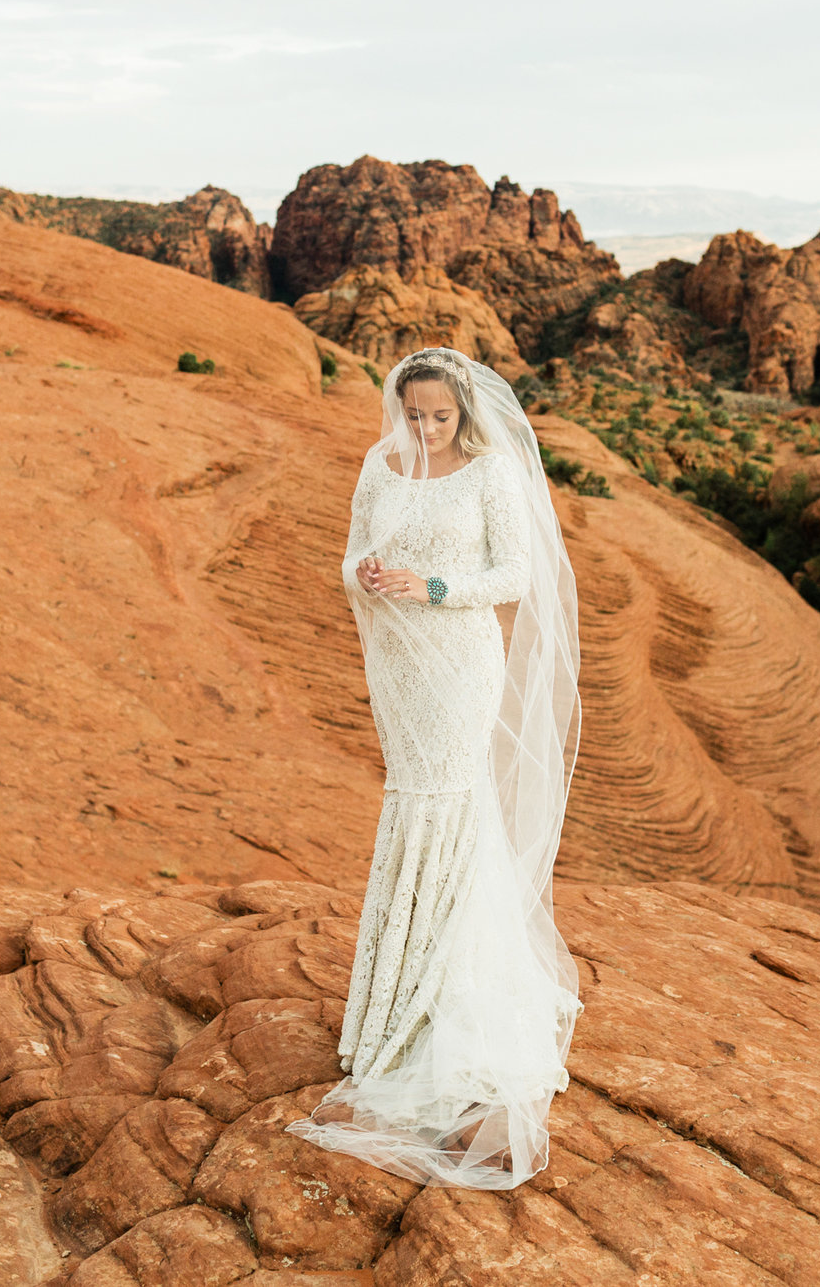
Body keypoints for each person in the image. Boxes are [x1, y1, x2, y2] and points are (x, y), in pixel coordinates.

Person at [284, 345, 584, 1189]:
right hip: (400, 672)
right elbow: (349, 559)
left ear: (464, 412)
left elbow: (515, 574)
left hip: (458, 662)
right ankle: (388, 1010)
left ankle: (439, 1005)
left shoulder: (488, 474)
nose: (421, 428)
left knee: (448, 803)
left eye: (437, 416)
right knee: (410, 799)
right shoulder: (380, 465)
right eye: (412, 413)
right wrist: (371, 574)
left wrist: (432, 586)